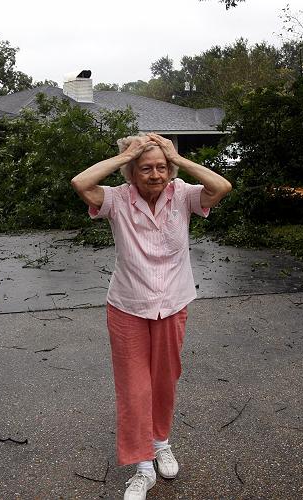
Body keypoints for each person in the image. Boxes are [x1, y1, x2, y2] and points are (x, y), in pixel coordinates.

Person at [71, 133, 232, 500]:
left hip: (173, 303)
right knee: (133, 386)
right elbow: (81, 182)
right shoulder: (116, 200)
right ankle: (143, 467)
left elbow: (222, 185)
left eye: (161, 167)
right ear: (131, 172)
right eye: (145, 168)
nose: (155, 174)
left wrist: (177, 157)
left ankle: (161, 443)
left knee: (165, 379)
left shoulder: (185, 195)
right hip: (128, 304)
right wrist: (126, 154)